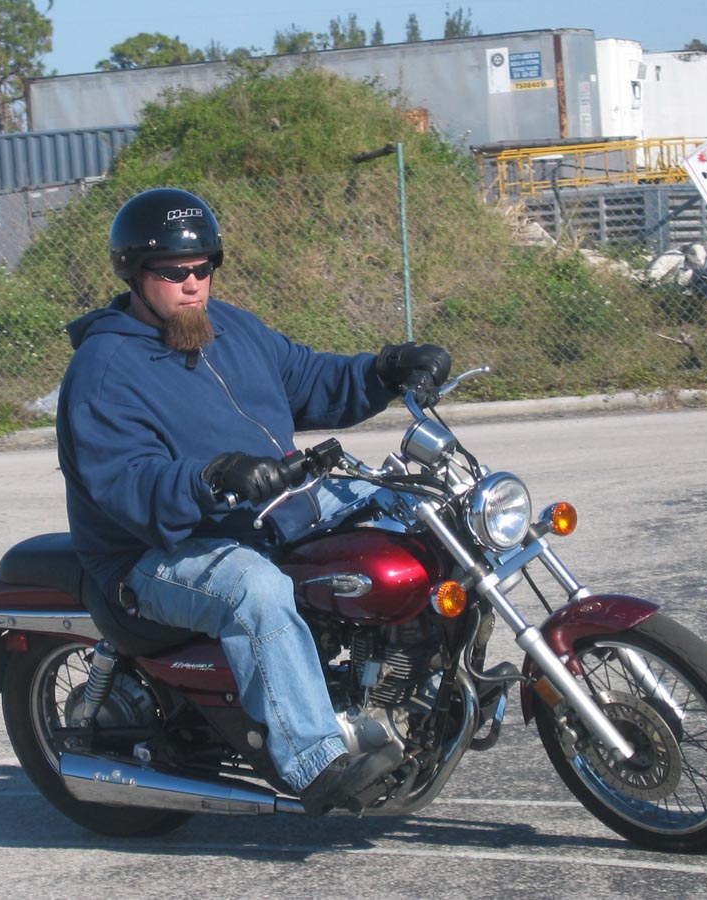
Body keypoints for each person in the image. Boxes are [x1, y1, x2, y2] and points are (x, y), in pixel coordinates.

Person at [55, 187, 450, 814]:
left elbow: (310, 378)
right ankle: (314, 760)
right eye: (172, 272)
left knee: (416, 505)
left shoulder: (231, 328)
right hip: (155, 551)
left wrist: (385, 370)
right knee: (254, 589)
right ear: (135, 273)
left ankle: (428, 680)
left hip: (265, 515)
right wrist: (214, 476)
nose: (192, 283)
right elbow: (129, 484)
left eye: (203, 267)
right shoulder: (104, 369)